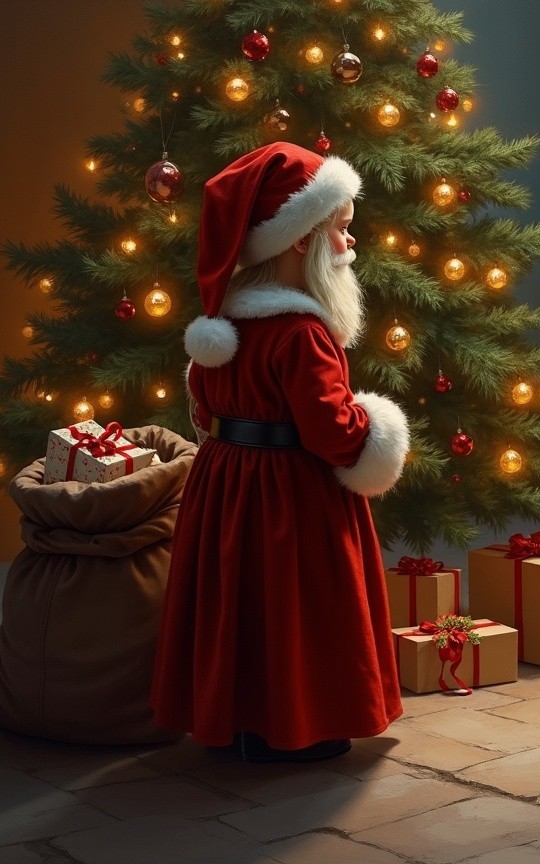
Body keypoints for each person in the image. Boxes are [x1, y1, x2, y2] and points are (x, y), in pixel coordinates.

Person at [150, 142, 410, 763]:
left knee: (233, 600)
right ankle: (299, 723)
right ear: (301, 241)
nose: (351, 246)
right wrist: (374, 427)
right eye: (342, 232)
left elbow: (206, 411)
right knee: (297, 607)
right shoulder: (303, 334)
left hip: (225, 482)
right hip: (291, 494)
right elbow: (331, 431)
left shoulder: (225, 329)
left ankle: (233, 717)